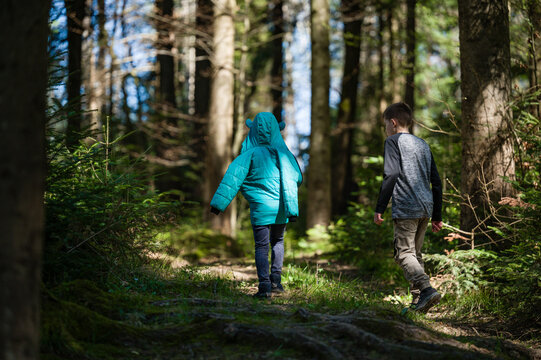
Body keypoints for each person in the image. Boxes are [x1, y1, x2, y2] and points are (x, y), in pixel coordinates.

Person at [210, 112, 303, 298]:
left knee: (261, 246)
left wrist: (218, 205)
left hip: (261, 208)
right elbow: (298, 178)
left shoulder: (249, 155)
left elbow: (232, 179)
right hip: (282, 207)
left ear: (253, 132)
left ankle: (264, 286)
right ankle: (276, 281)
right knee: (278, 241)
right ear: (277, 131)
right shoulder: (286, 155)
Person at [374, 102, 443, 313]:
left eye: (386, 124)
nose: (385, 128)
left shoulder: (392, 141)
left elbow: (392, 175)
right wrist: (437, 215)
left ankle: (426, 289)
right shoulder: (423, 144)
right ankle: (418, 303)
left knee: (403, 254)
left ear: (393, 122)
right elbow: (437, 181)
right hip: (425, 207)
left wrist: (380, 207)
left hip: (406, 206)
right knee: (416, 255)